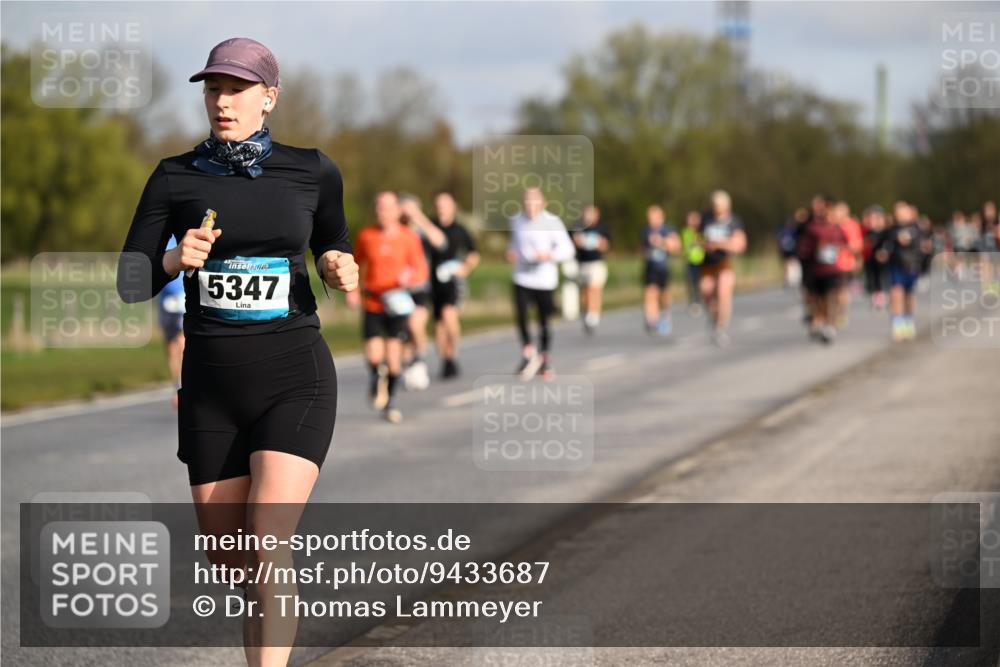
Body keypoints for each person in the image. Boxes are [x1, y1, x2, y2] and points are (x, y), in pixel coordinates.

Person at [117, 38, 359, 667]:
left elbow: (334, 245)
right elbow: (129, 280)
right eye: (213, 89)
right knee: (233, 561)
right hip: (212, 387)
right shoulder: (175, 176)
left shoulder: (313, 170)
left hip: (294, 376)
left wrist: (339, 267)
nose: (222, 102)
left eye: (236, 90)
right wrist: (175, 259)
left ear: (268, 98)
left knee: (268, 541)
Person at [347, 191, 429, 422]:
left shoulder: (408, 237)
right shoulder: (366, 235)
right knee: (373, 354)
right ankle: (376, 376)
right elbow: (354, 264)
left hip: (398, 302)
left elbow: (420, 270)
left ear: (397, 211)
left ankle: (390, 402)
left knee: (393, 359)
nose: (382, 212)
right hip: (373, 301)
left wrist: (408, 279)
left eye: (387, 208)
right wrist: (352, 292)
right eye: (379, 208)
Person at [507, 187, 575, 380]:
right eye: (527, 202)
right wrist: (511, 252)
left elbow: (568, 250)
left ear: (543, 204)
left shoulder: (552, 222)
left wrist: (549, 255)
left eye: (534, 202)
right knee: (521, 315)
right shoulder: (516, 220)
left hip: (544, 280)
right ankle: (529, 353)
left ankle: (545, 358)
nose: (530, 206)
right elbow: (514, 243)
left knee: (543, 320)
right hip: (521, 277)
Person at [428, 191, 480, 378]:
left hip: (453, 282)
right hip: (432, 282)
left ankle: (453, 353)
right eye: (439, 205)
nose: (442, 209)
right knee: (439, 325)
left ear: (453, 207)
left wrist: (465, 268)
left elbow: (473, 253)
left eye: (445, 205)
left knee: (449, 314)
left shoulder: (460, 229)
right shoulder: (430, 227)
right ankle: (446, 358)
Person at [397, 193, 446, 391]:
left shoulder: (420, 230)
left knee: (415, 325)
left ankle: (419, 359)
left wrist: (418, 217)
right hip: (396, 289)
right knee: (403, 331)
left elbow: (441, 242)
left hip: (419, 287)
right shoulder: (394, 231)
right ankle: (408, 363)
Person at [699, 190, 747, 346]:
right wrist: (702, 245)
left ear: (727, 205)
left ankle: (721, 328)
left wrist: (720, 244)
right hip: (707, 263)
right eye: (715, 205)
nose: (717, 208)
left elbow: (740, 244)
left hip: (724, 262)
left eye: (720, 205)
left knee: (723, 291)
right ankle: (714, 317)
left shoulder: (734, 221)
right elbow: (697, 238)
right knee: (706, 291)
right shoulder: (706, 219)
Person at [877, 201, 931, 341]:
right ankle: (897, 324)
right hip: (896, 265)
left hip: (912, 265)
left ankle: (909, 320)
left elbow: (925, 246)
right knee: (896, 293)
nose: (900, 214)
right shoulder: (890, 229)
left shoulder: (917, 228)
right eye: (898, 212)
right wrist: (882, 253)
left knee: (909, 295)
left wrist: (923, 260)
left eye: (903, 211)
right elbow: (881, 245)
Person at [797, 201, 849, 344]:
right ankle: (819, 320)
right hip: (816, 271)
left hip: (833, 270)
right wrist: (815, 249)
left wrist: (839, 249)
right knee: (818, 300)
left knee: (831, 297)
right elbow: (803, 249)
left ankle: (830, 325)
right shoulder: (812, 229)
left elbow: (845, 243)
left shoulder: (837, 229)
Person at [570, 204, 612, 334]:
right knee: (584, 292)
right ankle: (587, 313)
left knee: (594, 288)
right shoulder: (577, 227)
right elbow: (571, 243)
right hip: (582, 263)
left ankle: (593, 316)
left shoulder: (602, 228)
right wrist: (577, 241)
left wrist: (599, 243)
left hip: (596, 263)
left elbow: (606, 245)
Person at [640, 205, 680, 335]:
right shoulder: (645, 231)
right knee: (650, 292)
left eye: (653, 217)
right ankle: (651, 320)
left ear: (660, 217)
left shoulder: (667, 230)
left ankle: (665, 314)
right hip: (650, 267)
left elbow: (676, 246)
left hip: (663, 268)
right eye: (649, 217)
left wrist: (661, 241)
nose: (651, 220)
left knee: (664, 294)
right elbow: (642, 248)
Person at [158, 235, 186, 409]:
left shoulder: (187, 228)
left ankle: (183, 386)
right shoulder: (160, 235)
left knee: (180, 342)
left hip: (183, 297)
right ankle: (177, 385)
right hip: (165, 299)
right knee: (171, 345)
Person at [831, 201, 863, 328]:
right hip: (829, 264)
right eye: (836, 211)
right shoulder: (830, 224)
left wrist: (858, 260)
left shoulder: (851, 225)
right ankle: (833, 312)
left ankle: (841, 312)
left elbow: (856, 246)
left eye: (841, 211)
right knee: (832, 291)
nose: (838, 214)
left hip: (845, 264)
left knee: (841, 291)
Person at [861, 205, 889, 310]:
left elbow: (888, 244)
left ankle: (881, 297)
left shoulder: (886, 231)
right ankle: (875, 297)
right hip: (870, 258)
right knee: (871, 277)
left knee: (881, 277)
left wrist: (884, 252)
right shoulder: (868, 231)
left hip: (882, 259)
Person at [680, 210, 705, 315]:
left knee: (701, 283)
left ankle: (700, 300)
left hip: (702, 261)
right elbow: (684, 245)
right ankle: (693, 301)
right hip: (690, 261)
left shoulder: (702, 231)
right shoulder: (686, 232)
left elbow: (705, 243)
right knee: (691, 282)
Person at [776, 208, 805, 290]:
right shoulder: (782, 229)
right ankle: (789, 279)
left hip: (793, 248)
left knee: (793, 262)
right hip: (786, 249)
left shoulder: (794, 230)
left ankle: (794, 279)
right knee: (787, 263)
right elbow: (778, 239)